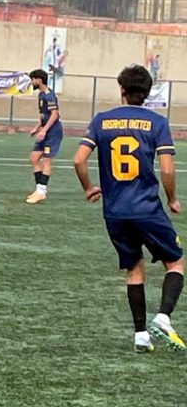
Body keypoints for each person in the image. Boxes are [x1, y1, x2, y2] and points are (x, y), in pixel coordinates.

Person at [74, 65, 184, 353]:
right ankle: (163, 316)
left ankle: (140, 336)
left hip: (115, 211)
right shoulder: (157, 123)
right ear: (147, 93)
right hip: (147, 208)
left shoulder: (101, 121)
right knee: (175, 263)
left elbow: (78, 160)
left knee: (134, 269)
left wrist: (89, 188)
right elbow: (167, 169)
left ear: (122, 89)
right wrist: (172, 198)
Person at [26, 68, 64, 204]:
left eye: (33, 79)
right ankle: (39, 190)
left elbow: (55, 115)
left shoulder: (49, 95)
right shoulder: (41, 95)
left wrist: (44, 130)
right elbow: (44, 116)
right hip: (45, 130)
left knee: (46, 161)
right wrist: (37, 128)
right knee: (34, 157)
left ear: (39, 80)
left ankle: (41, 191)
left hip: (53, 133)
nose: (31, 82)